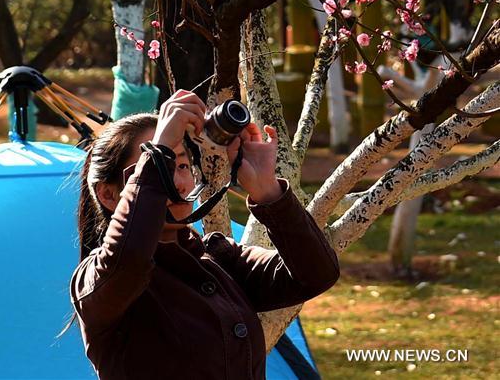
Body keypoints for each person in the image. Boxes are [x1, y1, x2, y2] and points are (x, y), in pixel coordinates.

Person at [70, 89, 340, 380]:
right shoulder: (96, 280)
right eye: (159, 165)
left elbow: (316, 273)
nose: (178, 182)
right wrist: (158, 149)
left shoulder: (219, 258)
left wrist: (268, 191)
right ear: (109, 195)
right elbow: (130, 258)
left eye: (182, 165)